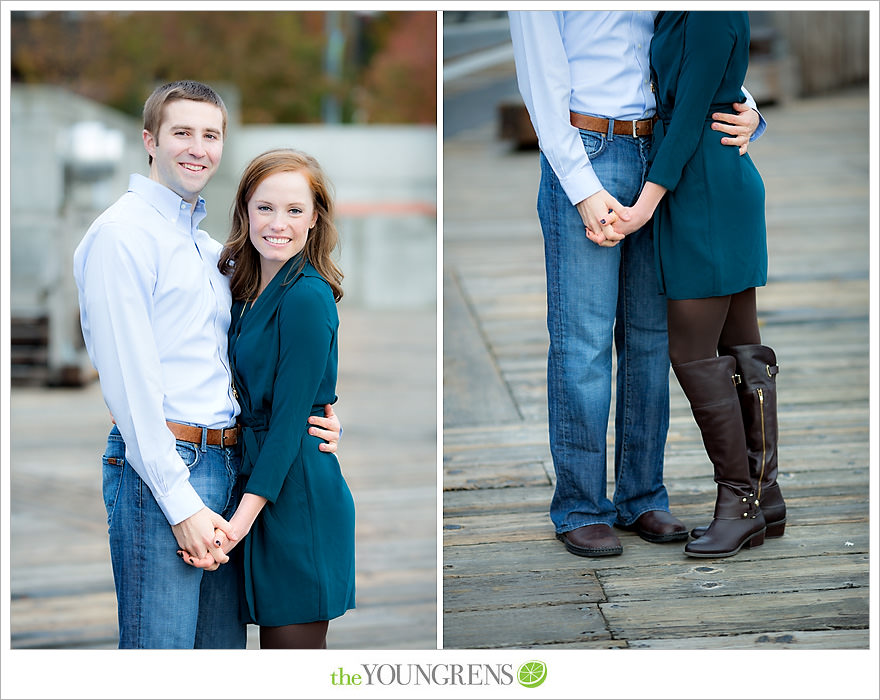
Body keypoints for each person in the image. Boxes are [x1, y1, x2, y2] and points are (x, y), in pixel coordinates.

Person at [72, 81, 340, 649]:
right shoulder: (122, 237)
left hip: (231, 466)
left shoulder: (207, 250)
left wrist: (322, 409)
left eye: (211, 134)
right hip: (167, 469)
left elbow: (257, 360)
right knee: (162, 655)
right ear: (149, 140)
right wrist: (181, 502)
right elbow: (131, 390)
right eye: (182, 133)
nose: (198, 147)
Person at [508, 11, 764, 557]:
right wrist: (580, 186)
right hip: (587, 147)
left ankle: (642, 496)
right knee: (583, 343)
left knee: (651, 340)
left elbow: (694, 39)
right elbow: (540, 80)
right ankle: (580, 506)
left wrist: (750, 111)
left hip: (666, 152)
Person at [612, 11, 783, 558]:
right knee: (740, 345)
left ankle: (738, 501)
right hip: (708, 179)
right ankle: (764, 493)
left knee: (691, 351)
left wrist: (643, 207)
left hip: (705, 186)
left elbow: (689, 114)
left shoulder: (709, 11)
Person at [180, 149, 356, 649]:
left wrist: (235, 527)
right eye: (265, 208)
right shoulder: (237, 285)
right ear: (244, 211)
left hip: (293, 496)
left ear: (315, 219)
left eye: (295, 210)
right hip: (248, 481)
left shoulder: (306, 296)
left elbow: (287, 424)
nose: (278, 224)